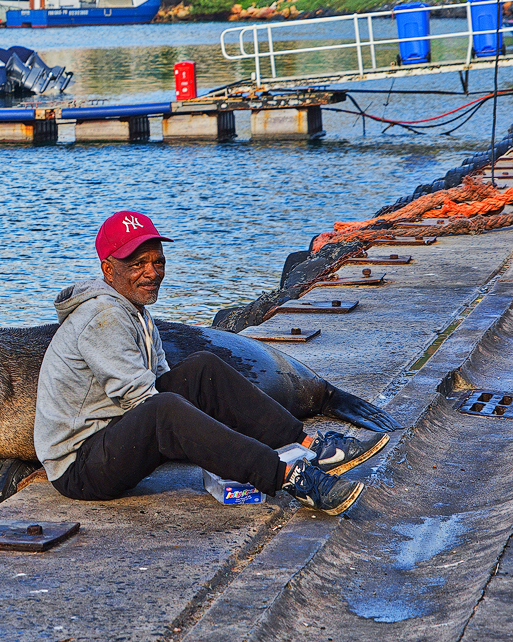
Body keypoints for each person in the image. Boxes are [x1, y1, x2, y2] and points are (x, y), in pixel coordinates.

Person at [33, 211, 390, 515]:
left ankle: (309, 447)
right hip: (80, 467)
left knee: (202, 368)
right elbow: (146, 403)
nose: (152, 272)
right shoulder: (103, 316)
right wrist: (223, 447)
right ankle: (289, 477)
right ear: (108, 271)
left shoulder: (135, 311)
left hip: (113, 433)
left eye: (158, 261)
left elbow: (163, 380)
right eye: (137, 264)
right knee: (166, 410)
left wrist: (212, 431)